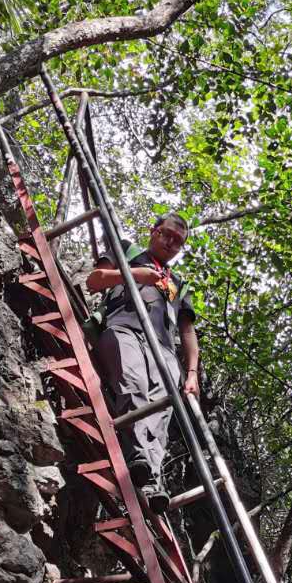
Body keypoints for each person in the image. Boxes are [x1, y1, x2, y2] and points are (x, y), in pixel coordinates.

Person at [87, 214, 199, 513]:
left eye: (178, 242)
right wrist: (136, 274)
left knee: (161, 411)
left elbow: (187, 330)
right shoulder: (129, 250)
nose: (171, 243)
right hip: (124, 328)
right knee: (133, 385)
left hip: (164, 348)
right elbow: (94, 280)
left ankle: (149, 477)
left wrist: (191, 373)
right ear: (153, 232)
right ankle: (143, 466)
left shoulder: (178, 283)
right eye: (166, 235)